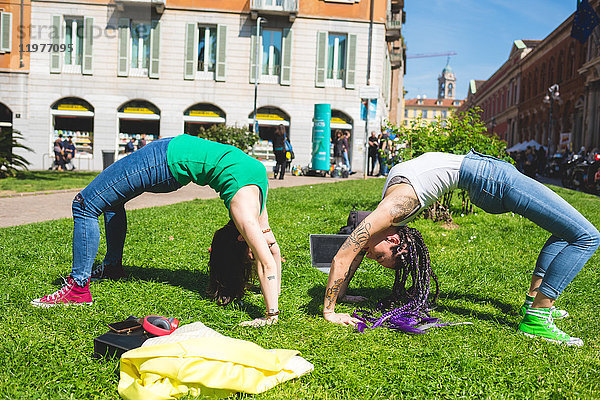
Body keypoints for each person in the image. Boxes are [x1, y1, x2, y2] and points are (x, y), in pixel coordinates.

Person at [323, 150, 599, 346]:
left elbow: (344, 255)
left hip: (493, 180)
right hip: (491, 178)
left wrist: (330, 309)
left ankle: (534, 306)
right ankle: (538, 317)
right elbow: (352, 253)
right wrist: (338, 301)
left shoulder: (393, 209)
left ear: (393, 240)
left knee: (576, 234)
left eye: (375, 255)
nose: (369, 254)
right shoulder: (389, 210)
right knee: (585, 235)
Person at [31, 135, 282, 327]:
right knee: (110, 200)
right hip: (169, 155)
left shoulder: (244, 214)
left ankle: (77, 289)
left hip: (164, 160)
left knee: (84, 204)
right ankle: (112, 267)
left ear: (241, 238)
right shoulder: (258, 211)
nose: (256, 251)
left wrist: (271, 315)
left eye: (251, 251)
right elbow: (272, 247)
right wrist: (274, 290)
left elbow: (267, 263)